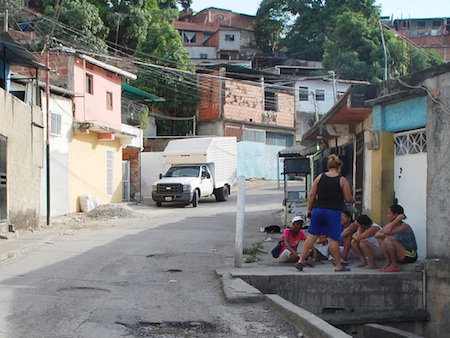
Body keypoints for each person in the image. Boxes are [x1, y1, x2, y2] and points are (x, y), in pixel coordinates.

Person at [295, 154, 355, 272]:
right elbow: (348, 198)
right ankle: (338, 266)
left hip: (318, 210)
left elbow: (312, 195)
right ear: (339, 167)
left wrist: (309, 209)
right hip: (333, 211)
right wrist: (353, 200)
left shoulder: (320, 177)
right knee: (333, 239)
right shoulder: (342, 180)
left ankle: (301, 260)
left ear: (328, 166)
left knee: (312, 235)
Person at [375, 204, 418, 272]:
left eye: (389, 213)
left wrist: (397, 220)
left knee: (388, 239)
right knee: (382, 239)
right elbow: (377, 235)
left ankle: (394, 264)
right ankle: (388, 262)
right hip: (399, 253)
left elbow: (386, 232)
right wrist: (387, 234)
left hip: (409, 255)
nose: (387, 215)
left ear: (395, 215)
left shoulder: (404, 226)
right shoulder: (390, 225)